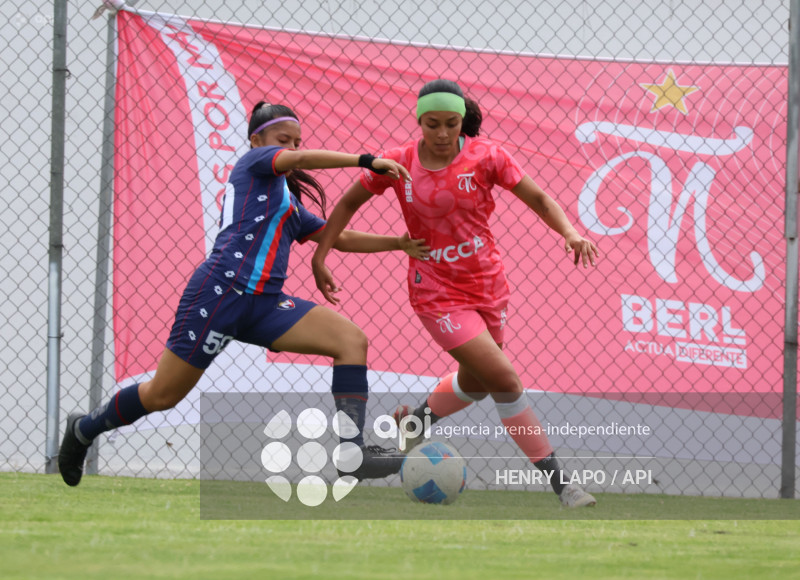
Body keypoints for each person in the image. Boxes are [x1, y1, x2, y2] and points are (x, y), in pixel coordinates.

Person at [58, 102, 429, 487]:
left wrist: (398, 242)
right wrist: (367, 160)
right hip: (220, 292)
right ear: (258, 141)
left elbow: (340, 237)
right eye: (283, 140)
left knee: (351, 341)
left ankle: (353, 456)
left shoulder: (288, 204)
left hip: (265, 304)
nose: (292, 148)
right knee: (162, 396)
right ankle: (84, 430)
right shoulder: (252, 165)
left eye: (296, 141)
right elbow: (300, 158)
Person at [311, 80, 600, 508]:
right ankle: (564, 486)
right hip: (436, 292)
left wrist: (570, 233)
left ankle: (415, 423)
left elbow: (538, 197)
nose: (443, 134)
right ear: (419, 122)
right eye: (432, 125)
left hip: (487, 283)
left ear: (462, 120)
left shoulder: (488, 157)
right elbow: (348, 204)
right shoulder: (397, 162)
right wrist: (321, 255)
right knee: (504, 380)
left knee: (479, 384)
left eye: (451, 124)